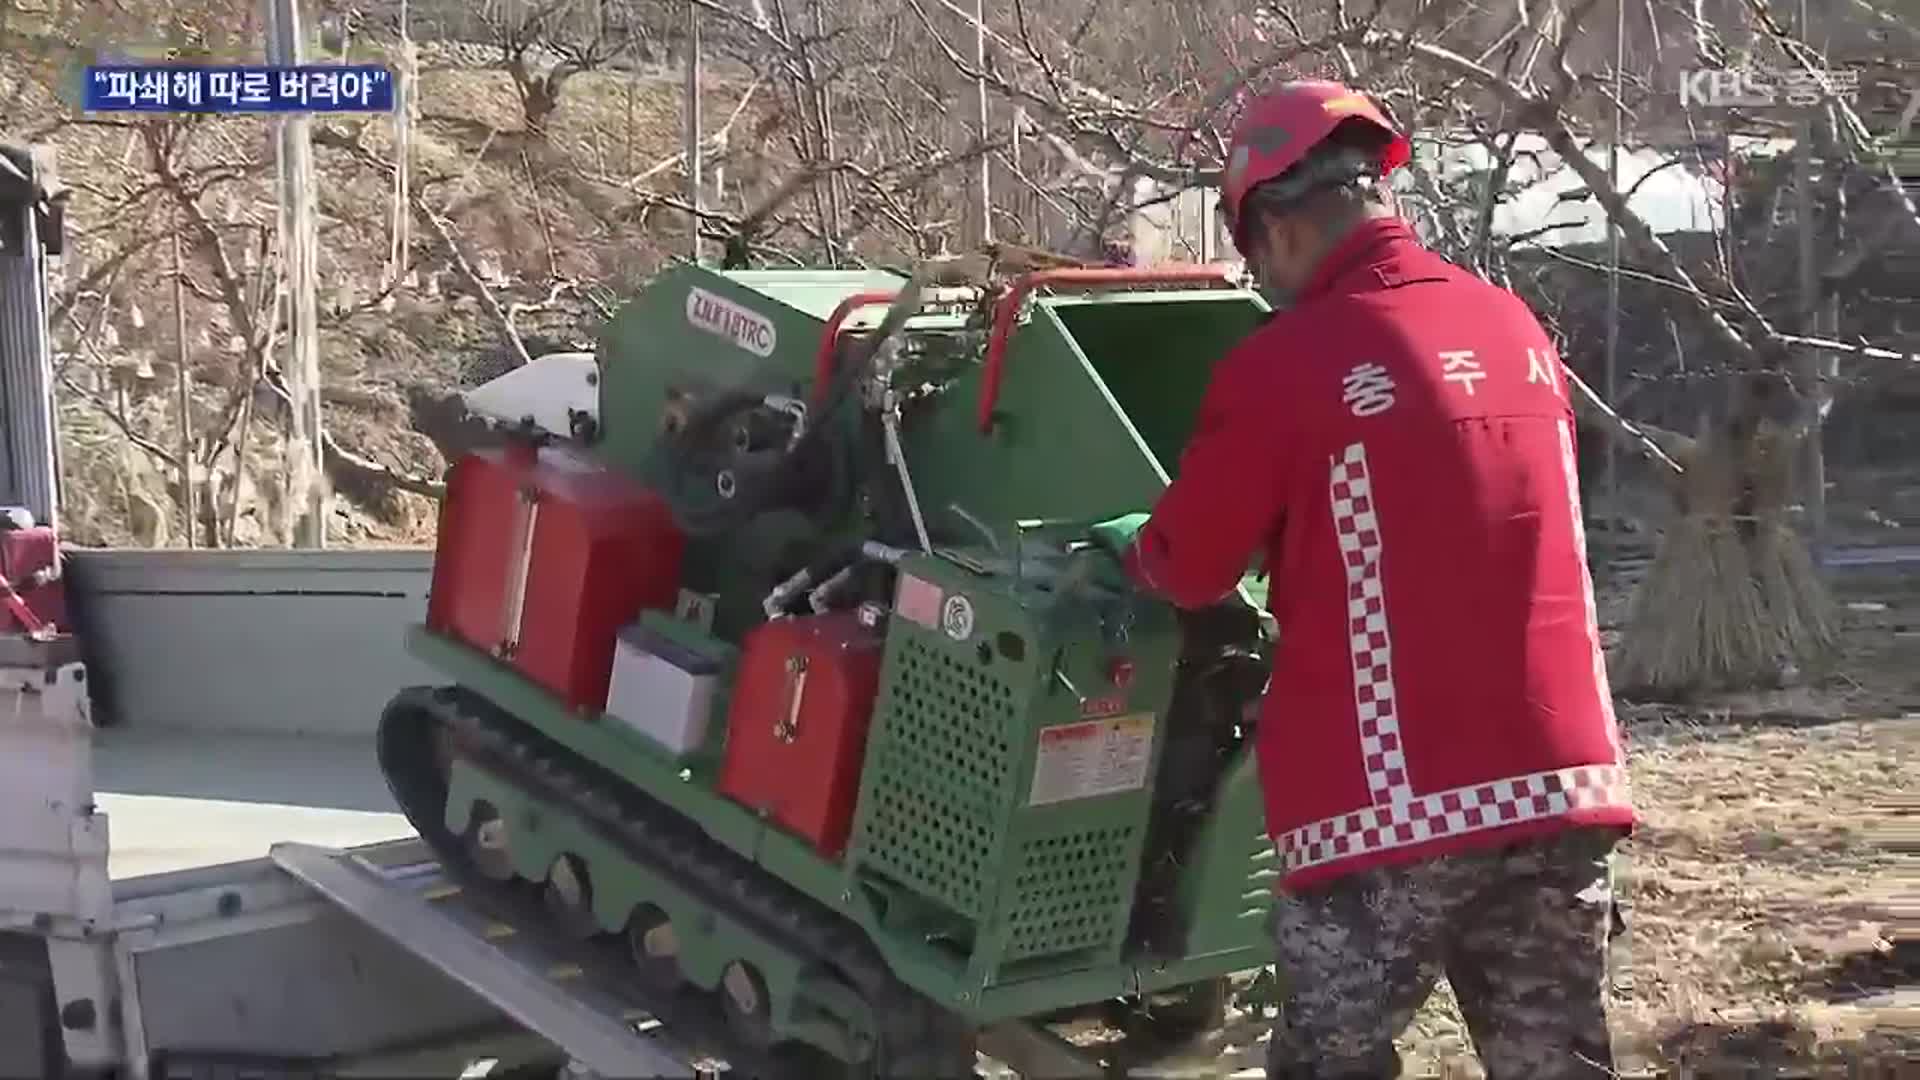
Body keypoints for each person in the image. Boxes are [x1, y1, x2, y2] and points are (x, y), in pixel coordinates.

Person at [1089, 79, 1637, 1079]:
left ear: (1279, 228)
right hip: (1564, 784)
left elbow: (1193, 564)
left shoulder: (1289, 362)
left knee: (1330, 1062)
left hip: (1395, 807)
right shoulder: (1515, 330)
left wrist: (1132, 545)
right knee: (1556, 1061)